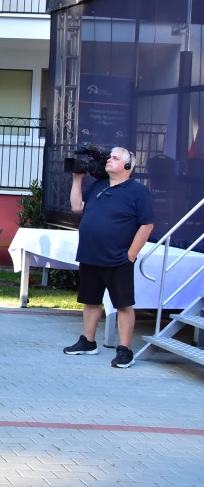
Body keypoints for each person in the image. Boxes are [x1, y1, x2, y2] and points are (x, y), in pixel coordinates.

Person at [64, 146, 154, 368]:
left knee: (123, 305)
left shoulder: (138, 191)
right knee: (91, 301)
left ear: (127, 166)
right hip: (90, 255)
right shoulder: (99, 186)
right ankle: (88, 342)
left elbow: (147, 224)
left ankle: (124, 350)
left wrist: (131, 255)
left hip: (118, 258)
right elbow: (77, 207)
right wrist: (77, 179)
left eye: (115, 158)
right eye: (109, 157)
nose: (109, 161)